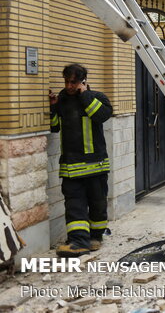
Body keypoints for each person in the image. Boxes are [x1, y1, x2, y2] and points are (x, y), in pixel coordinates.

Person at [49, 64, 112, 257]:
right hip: (72, 167)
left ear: (83, 81)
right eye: (66, 81)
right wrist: (53, 108)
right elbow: (55, 128)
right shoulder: (62, 100)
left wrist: (84, 95)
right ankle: (78, 241)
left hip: (96, 165)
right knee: (74, 204)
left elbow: (101, 116)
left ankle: (95, 238)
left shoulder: (97, 98)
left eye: (73, 82)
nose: (69, 86)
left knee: (97, 204)